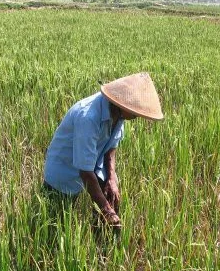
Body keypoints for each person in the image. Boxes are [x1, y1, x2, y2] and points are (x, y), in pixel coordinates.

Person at [43, 72, 164, 229]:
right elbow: (85, 172)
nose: (137, 115)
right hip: (63, 173)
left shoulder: (119, 115)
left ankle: (103, 245)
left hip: (90, 166)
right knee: (54, 225)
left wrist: (111, 177)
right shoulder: (88, 117)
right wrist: (106, 210)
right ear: (122, 104)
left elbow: (111, 148)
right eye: (134, 111)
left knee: (111, 196)